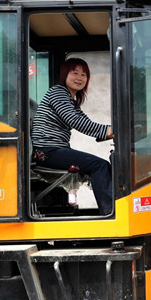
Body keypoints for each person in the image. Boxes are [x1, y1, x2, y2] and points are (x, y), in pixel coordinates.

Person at [31, 58, 114, 215]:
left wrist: (110, 131)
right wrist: (107, 131)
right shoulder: (57, 92)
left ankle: (109, 209)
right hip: (46, 152)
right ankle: (110, 212)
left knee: (102, 166)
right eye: (75, 73)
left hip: (52, 151)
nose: (80, 78)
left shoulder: (69, 100)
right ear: (65, 74)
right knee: (100, 166)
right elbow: (74, 120)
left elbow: (84, 121)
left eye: (84, 75)